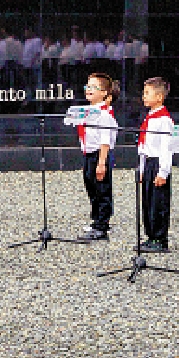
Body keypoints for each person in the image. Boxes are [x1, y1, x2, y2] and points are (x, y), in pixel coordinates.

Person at [135, 77, 176, 253]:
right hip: (149, 162)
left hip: (159, 163)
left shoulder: (164, 120)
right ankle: (150, 235)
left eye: (147, 93)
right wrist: (142, 168)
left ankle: (160, 238)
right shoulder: (150, 117)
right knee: (148, 202)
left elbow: (167, 148)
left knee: (158, 203)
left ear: (159, 97)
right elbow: (144, 147)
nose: (143, 96)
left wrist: (163, 172)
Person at [77, 73, 119, 242]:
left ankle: (102, 226)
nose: (89, 90)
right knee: (91, 186)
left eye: (94, 87)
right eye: (88, 86)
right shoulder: (89, 112)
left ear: (104, 93)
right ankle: (96, 221)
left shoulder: (103, 114)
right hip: (89, 154)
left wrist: (101, 163)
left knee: (102, 189)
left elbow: (105, 141)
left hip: (99, 154)